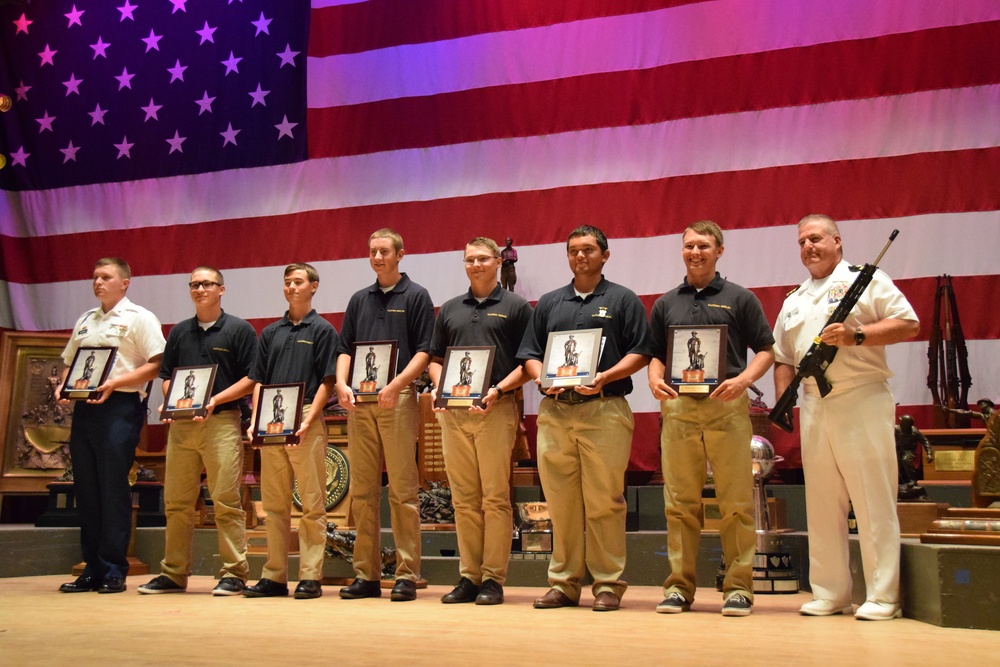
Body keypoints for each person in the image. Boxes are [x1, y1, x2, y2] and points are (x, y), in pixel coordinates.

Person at [773, 214, 919, 621]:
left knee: (872, 499)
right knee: (821, 501)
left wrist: (857, 337)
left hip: (861, 398)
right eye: (802, 241)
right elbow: (783, 356)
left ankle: (883, 595)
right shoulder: (794, 298)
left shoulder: (867, 279)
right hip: (814, 404)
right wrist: (785, 398)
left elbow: (908, 323)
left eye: (816, 239)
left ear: (837, 241)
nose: (808, 247)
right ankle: (831, 591)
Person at [517, 225, 651, 612]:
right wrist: (541, 375)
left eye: (589, 250)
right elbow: (529, 352)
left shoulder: (623, 299)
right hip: (556, 412)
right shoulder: (549, 302)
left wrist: (606, 376)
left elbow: (640, 352)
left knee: (605, 500)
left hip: (605, 409)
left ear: (605, 255)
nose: (580, 256)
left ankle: (608, 583)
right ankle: (564, 583)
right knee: (560, 502)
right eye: (573, 250)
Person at [647, 221, 775, 617]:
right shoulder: (667, 302)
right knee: (680, 504)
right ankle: (679, 588)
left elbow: (767, 351)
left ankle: (738, 588)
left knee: (735, 503)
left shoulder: (740, 298)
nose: (695, 252)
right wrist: (654, 378)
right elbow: (655, 354)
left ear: (719, 250)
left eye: (703, 245)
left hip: (726, 407)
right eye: (688, 246)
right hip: (680, 410)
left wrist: (744, 380)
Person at [138, 267, 257, 596]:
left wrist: (213, 399)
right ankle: (174, 573)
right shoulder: (179, 332)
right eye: (194, 284)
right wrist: (170, 402)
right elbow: (166, 376)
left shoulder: (239, 329)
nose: (200, 289)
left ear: (222, 289)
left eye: (207, 284)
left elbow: (251, 378)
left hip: (221, 423)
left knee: (226, 501)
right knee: (176, 503)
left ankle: (234, 573)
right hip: (182, 426)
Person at [429, 237, 533, 605]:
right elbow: (434, 357)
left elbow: (528, 362)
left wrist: (499, 391)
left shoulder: (517, 307)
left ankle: (493, 578)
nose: (475, 265)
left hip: (495, 409)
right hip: (454, 414)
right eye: (469, 259)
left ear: (496, 261)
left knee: (494, 498)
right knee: (463, 499)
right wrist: (439, 387)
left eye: (482, 259)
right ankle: (469, 576)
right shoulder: (451, 309)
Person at [335, 229, 434, 602]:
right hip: (359, 403)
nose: (377, 257)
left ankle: (407, 574)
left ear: (400, 254)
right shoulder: (359, 299)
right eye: (372, 251)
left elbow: (425, 351)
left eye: (384, 251)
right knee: (362, 493)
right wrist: (342, 384)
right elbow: (345, 348)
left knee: (403, 491)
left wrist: (396, 386)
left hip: (398, 399)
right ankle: (367, 574)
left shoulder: (416, 296)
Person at [56, 258, 166, 594]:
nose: (98, 282)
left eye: (106, 277)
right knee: (86, 488)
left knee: (113, 485)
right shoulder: (86, 320)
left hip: (120, 406)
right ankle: (90, 568)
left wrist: (114, 384)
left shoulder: (140, 318)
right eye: (95, 277)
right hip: (86, 409)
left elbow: (157, 363)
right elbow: (68, 363)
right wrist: (63, 386)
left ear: (125, 282)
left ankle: (114, 568)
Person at [243, 263, 338, 599]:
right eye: (287, 282)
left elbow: (329, 381)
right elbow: (259, 380)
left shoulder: (324, 329)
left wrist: (310, 419)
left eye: (298, 282)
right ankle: (275, 575)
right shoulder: (270, 333)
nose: (292, 287)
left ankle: (310, 575)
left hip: (306, 419)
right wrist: (255, 420)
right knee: (274, 503)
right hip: (271, 422)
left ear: (313, 286)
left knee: (312, 502)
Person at [895, 415, 933, 499]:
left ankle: (913, 480)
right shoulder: (897, 429)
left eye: (901, 422)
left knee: (906, 460)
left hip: (909, 451)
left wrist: (929, 453)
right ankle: (901, 483)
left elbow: (925, 441)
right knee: (898, 466)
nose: (899, 423)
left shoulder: (914, 432)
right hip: (898, 451)